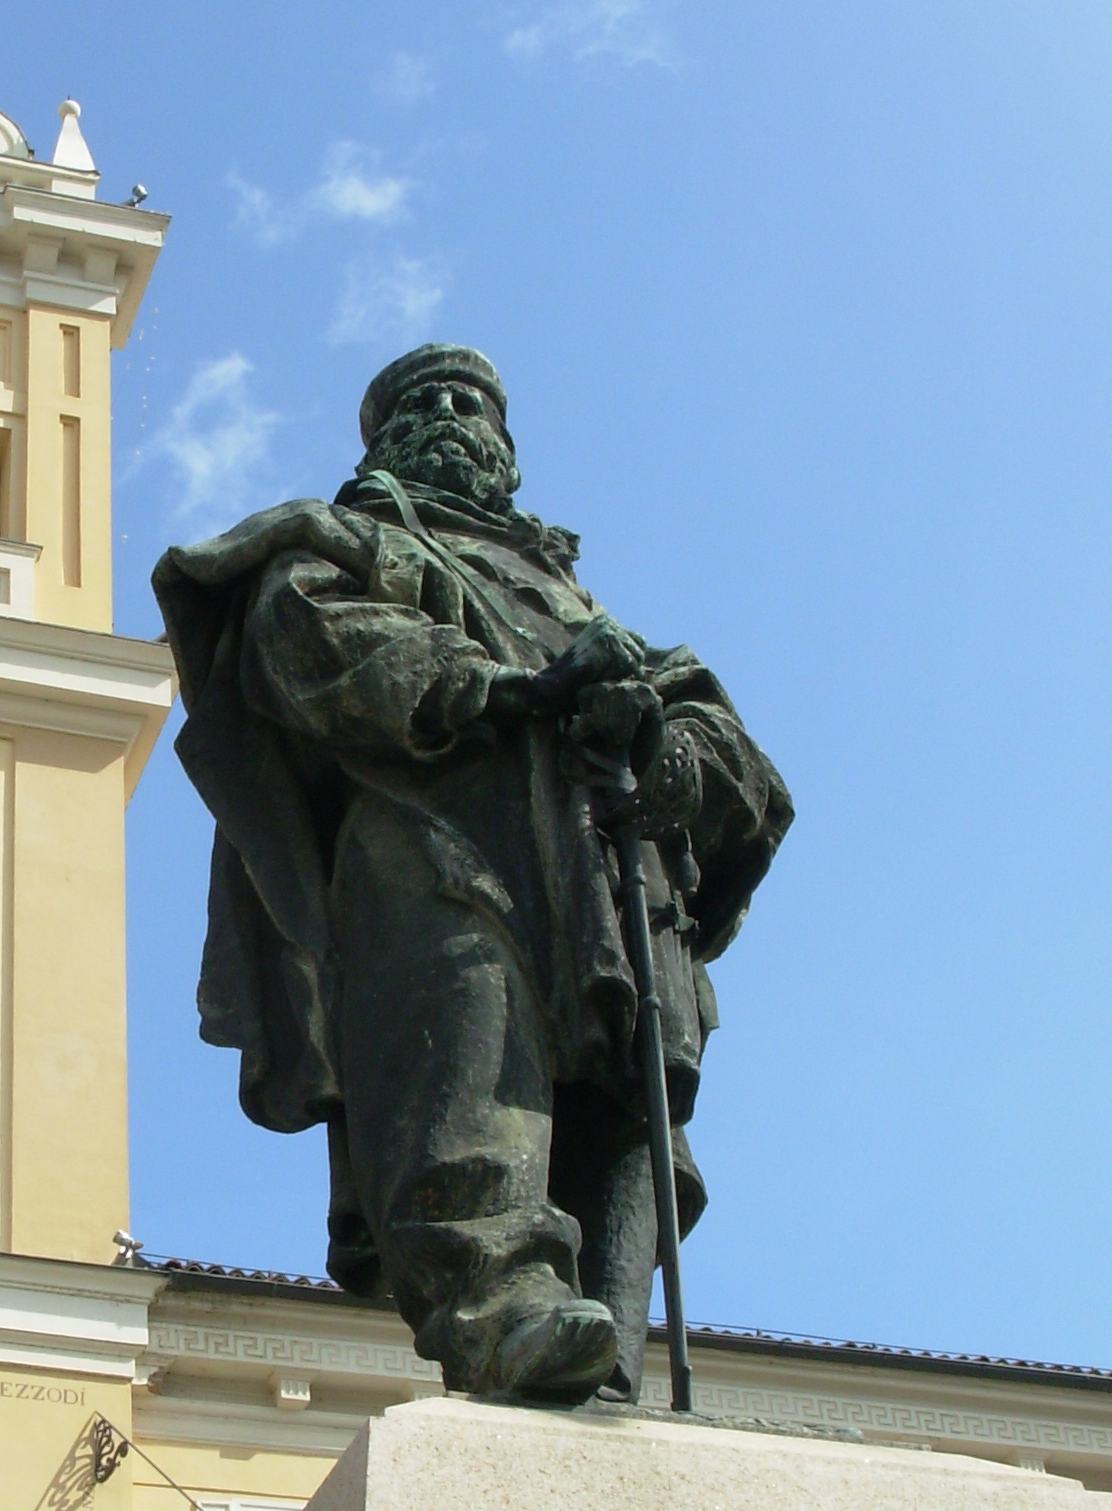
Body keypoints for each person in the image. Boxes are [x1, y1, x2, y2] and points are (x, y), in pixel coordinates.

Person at [154, 344, 792, 1404]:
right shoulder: (339, 540)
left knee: (626, 1098)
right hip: (433, 830)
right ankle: (499, 1308)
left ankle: (610, 1362)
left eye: (475, 403)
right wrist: (509, 691)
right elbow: (308, 640)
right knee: (463, 1042)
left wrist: (656, 744)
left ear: (508, 447)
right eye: (426, 402)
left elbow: (729, 749)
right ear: (383, 442)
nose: (452, 413)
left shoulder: (575, 599)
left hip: (600, 863)